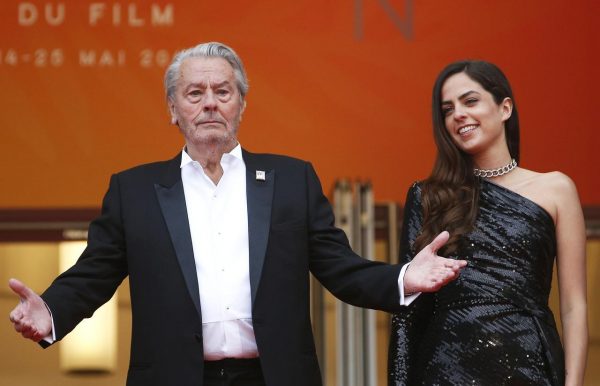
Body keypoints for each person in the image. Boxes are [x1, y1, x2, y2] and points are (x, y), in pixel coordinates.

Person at [8, 42, 466, 386]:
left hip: (274, 375)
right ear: (173, 108)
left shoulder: (292, 179)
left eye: (222, 91)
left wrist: (403, 278)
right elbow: (94, 273)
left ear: (241, 104)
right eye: (194, 92)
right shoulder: (135, 190)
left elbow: (340, 268)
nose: (209, 102)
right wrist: (50, 311)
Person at [387, 60, 588, 385]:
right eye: (448, 109)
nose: (458, 115)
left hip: (529, 363)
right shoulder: (428, 196)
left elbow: (574, 305)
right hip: (443, 369)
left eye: (470, 101)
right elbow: (409, 313)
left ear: (504, 107)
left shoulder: (556, 189)